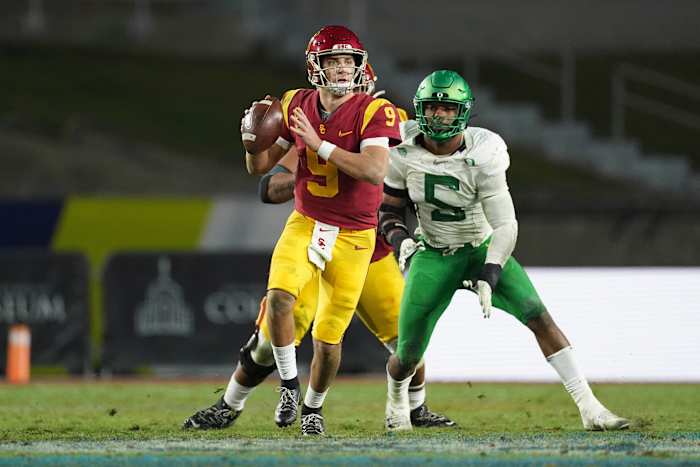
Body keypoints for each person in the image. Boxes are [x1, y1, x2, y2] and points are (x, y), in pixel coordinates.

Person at [183, 65, 454, 433]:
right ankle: (230, 404)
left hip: (370, 249)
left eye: (359, 81)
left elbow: (417, 180)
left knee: (407, 337)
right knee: (272, 337)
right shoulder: (316, 120)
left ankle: (417, 408)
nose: (353, 89)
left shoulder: (392, 121)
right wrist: (314, 169)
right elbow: (268, 187)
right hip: (319, 238)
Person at [380, 70, 630, 432]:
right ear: (420, 110)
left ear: (462, 112)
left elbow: (506, 225)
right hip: (434, 252)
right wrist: (401, 240)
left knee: (538, 316)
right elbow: (388, 210)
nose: (439, 116)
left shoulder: (486, 150)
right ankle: (397, 403)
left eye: (448, 109)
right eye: (432, 107)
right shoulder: (401, 151)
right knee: (407, 354)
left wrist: (491, 271)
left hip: (482, 246)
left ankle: (590, 408)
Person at [241, 25, 401, 436]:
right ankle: (290, 387)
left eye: (349, 60)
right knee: (278, 299)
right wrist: (252, 141)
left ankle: (314, 407)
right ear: (317, 66)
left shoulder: (373, 110)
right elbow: (261, 169)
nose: (344, 68)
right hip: (307, 222)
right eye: (335, 60)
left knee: (329, 342)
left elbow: (374, 170)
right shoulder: (296, 102)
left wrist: (318, 143)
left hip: (355, 235)